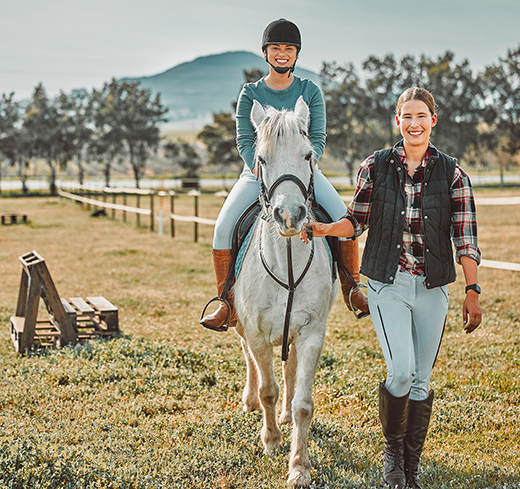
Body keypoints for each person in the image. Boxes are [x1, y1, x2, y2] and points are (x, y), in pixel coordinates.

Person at [300, 87, 482, 489]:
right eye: (407, 117)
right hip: (388, 284)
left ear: (433, 120)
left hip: (433, 288)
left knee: (421, 381)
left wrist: (473, 290)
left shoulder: (453, 173)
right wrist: (327, 229)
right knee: (400, 373)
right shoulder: (376, 166)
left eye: (422, 116)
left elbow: (465, 238)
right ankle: (391, 455)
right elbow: (357, 220)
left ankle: (409, 468)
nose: (414, 124)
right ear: (397, 121)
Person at [200, 18, 369, 332]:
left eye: (288, 48)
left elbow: (317, 137)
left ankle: (352, 288)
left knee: (343, 221)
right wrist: (260, 169)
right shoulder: (250, 92)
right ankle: (226, 302)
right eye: (275, 48)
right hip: (258, 175)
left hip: (305, 174)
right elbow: (243, 140)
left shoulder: (310, 90)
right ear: (265, 52)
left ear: (296, 54)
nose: (282, 53)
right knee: (223, 228)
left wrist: (303, 167)